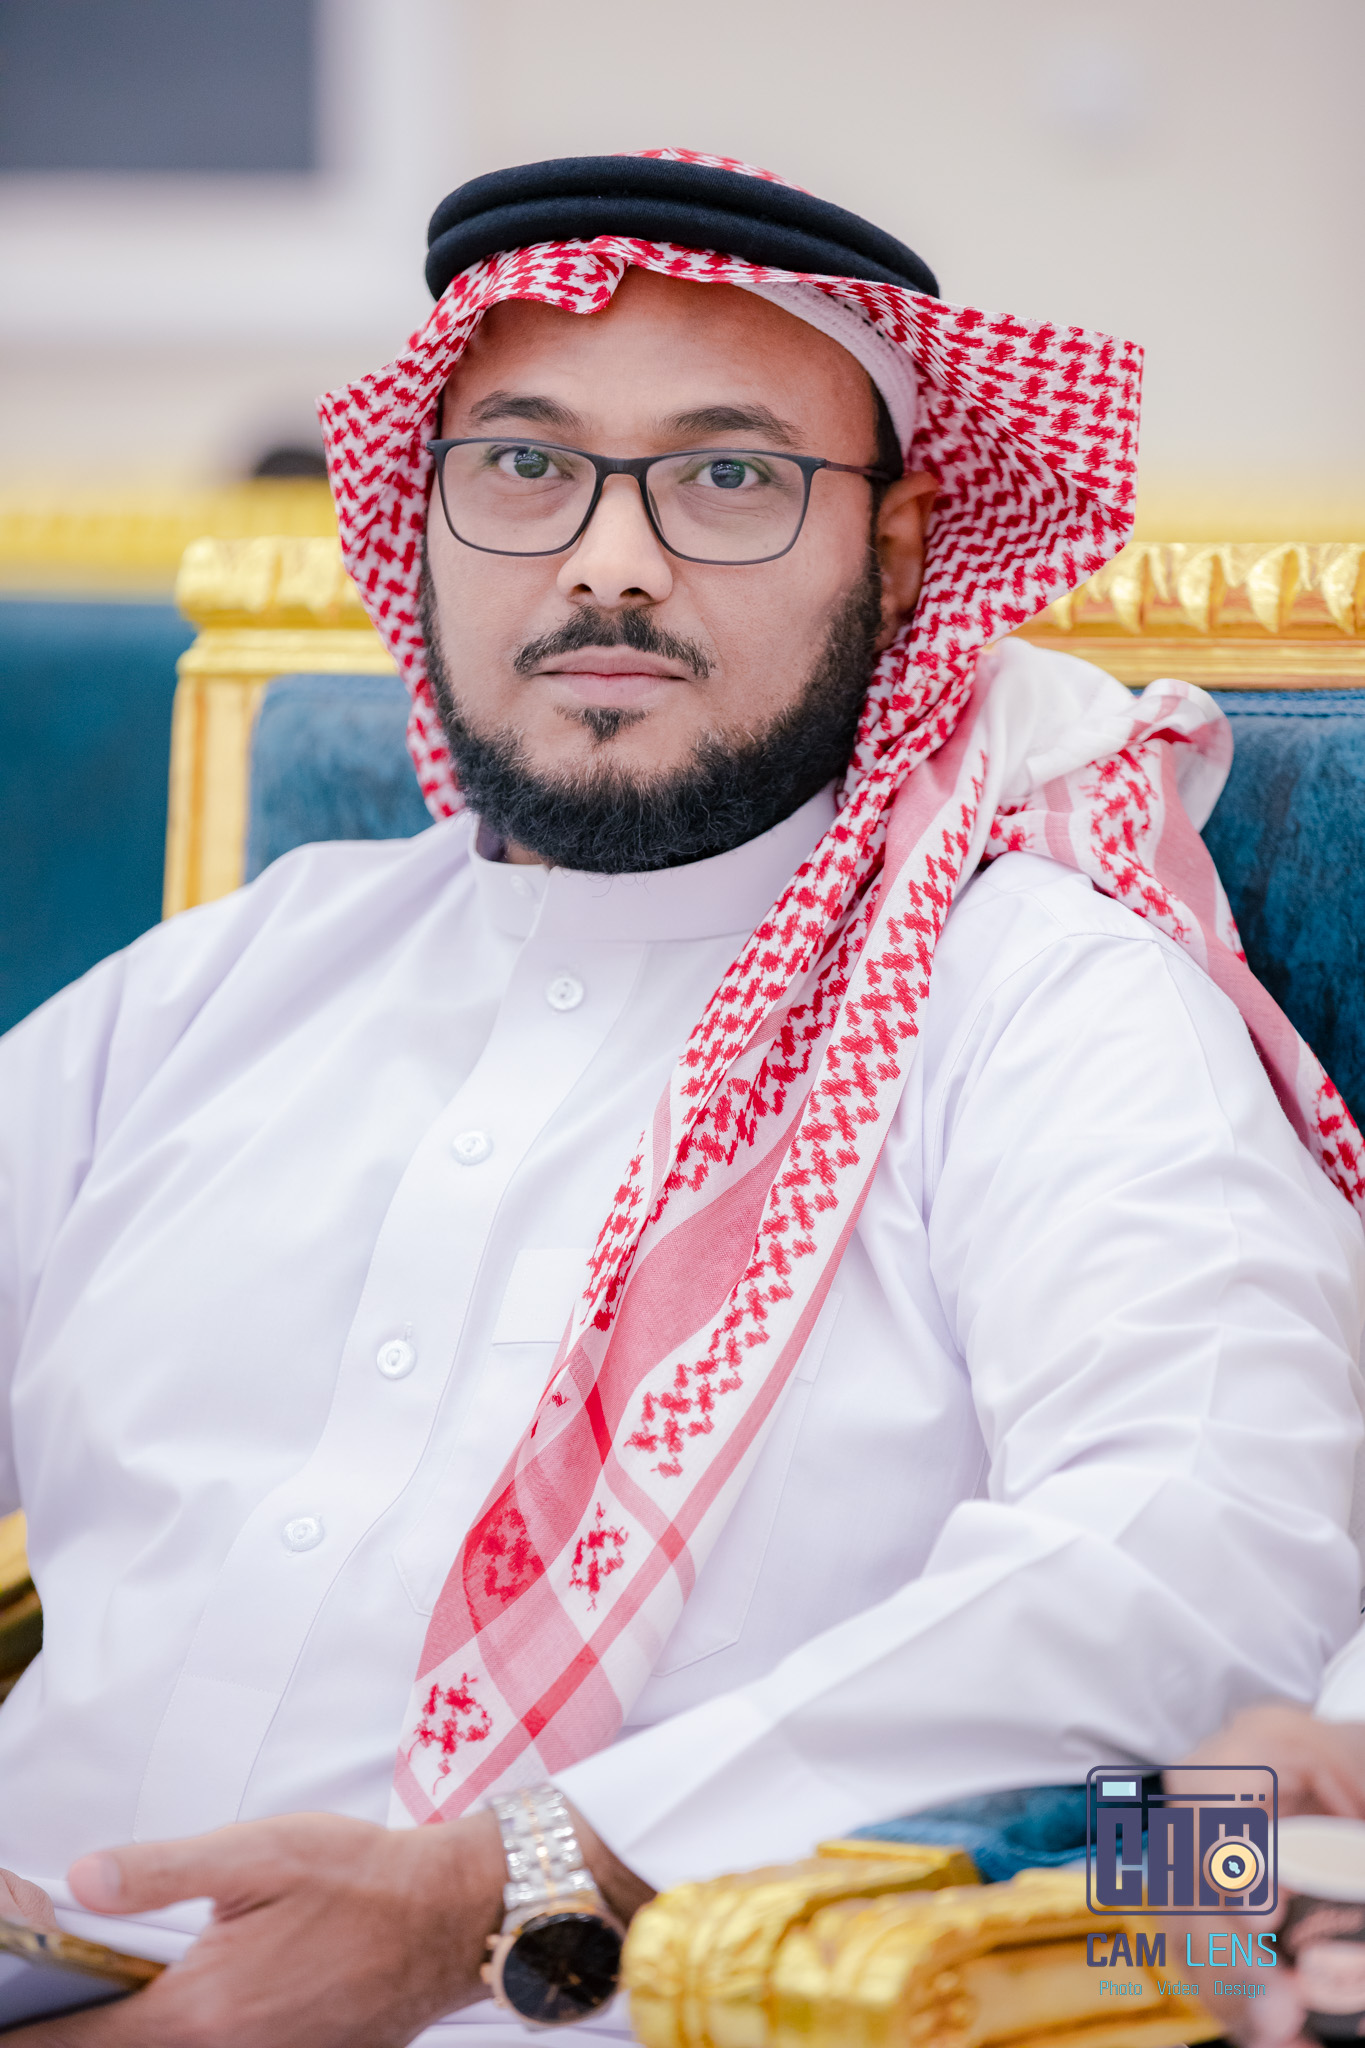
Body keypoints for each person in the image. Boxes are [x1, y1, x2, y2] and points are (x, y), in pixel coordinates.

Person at [0, 148, 1362, 2046]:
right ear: (421, 512)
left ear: (896, 549)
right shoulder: (220, 988)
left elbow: (1197, 1562)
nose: (607, 560)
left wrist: (500, 1895)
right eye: (524, 465)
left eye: (729, 478)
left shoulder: (1035, 1007)